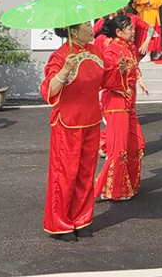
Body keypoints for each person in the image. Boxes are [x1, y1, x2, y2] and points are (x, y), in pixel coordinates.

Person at [41, 19, 131, 241]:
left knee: (85, 173)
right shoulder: (60, 56)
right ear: (73, 32)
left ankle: (81, 219)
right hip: (67, 123)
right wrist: (64, 71)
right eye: (87, 26)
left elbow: (106, 80)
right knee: (65, 174)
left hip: (91, 120)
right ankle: (60, 223)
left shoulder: (95, 51)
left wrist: (120, 71)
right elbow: (49, 90)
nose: (92, 29)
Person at [94, 14, 149, 202]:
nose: (133, 31)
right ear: (118, 31)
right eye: (130, 29)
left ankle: (127, 186)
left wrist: (138, 79)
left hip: (129, 102)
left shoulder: (128, 46)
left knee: (137, 144)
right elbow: (104, 79)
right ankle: (109, 189)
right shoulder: (111, 51)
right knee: (118, 149)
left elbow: (134, 66)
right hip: (116, 103)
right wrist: (121, 71)